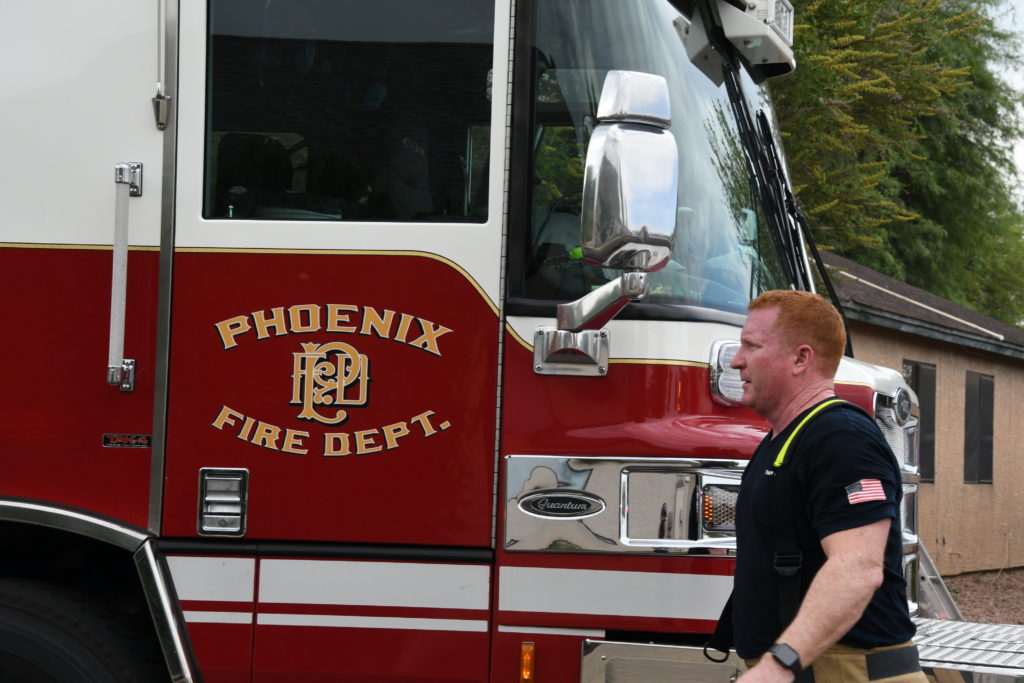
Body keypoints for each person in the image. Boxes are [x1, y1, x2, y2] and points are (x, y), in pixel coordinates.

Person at [728, 290, 925, 682]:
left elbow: (858, 568)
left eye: (751, 346)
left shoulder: (842, 438)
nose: (736, 360)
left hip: (845, 672)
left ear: (801, 358)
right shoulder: (785, 440)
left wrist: (778, 665)